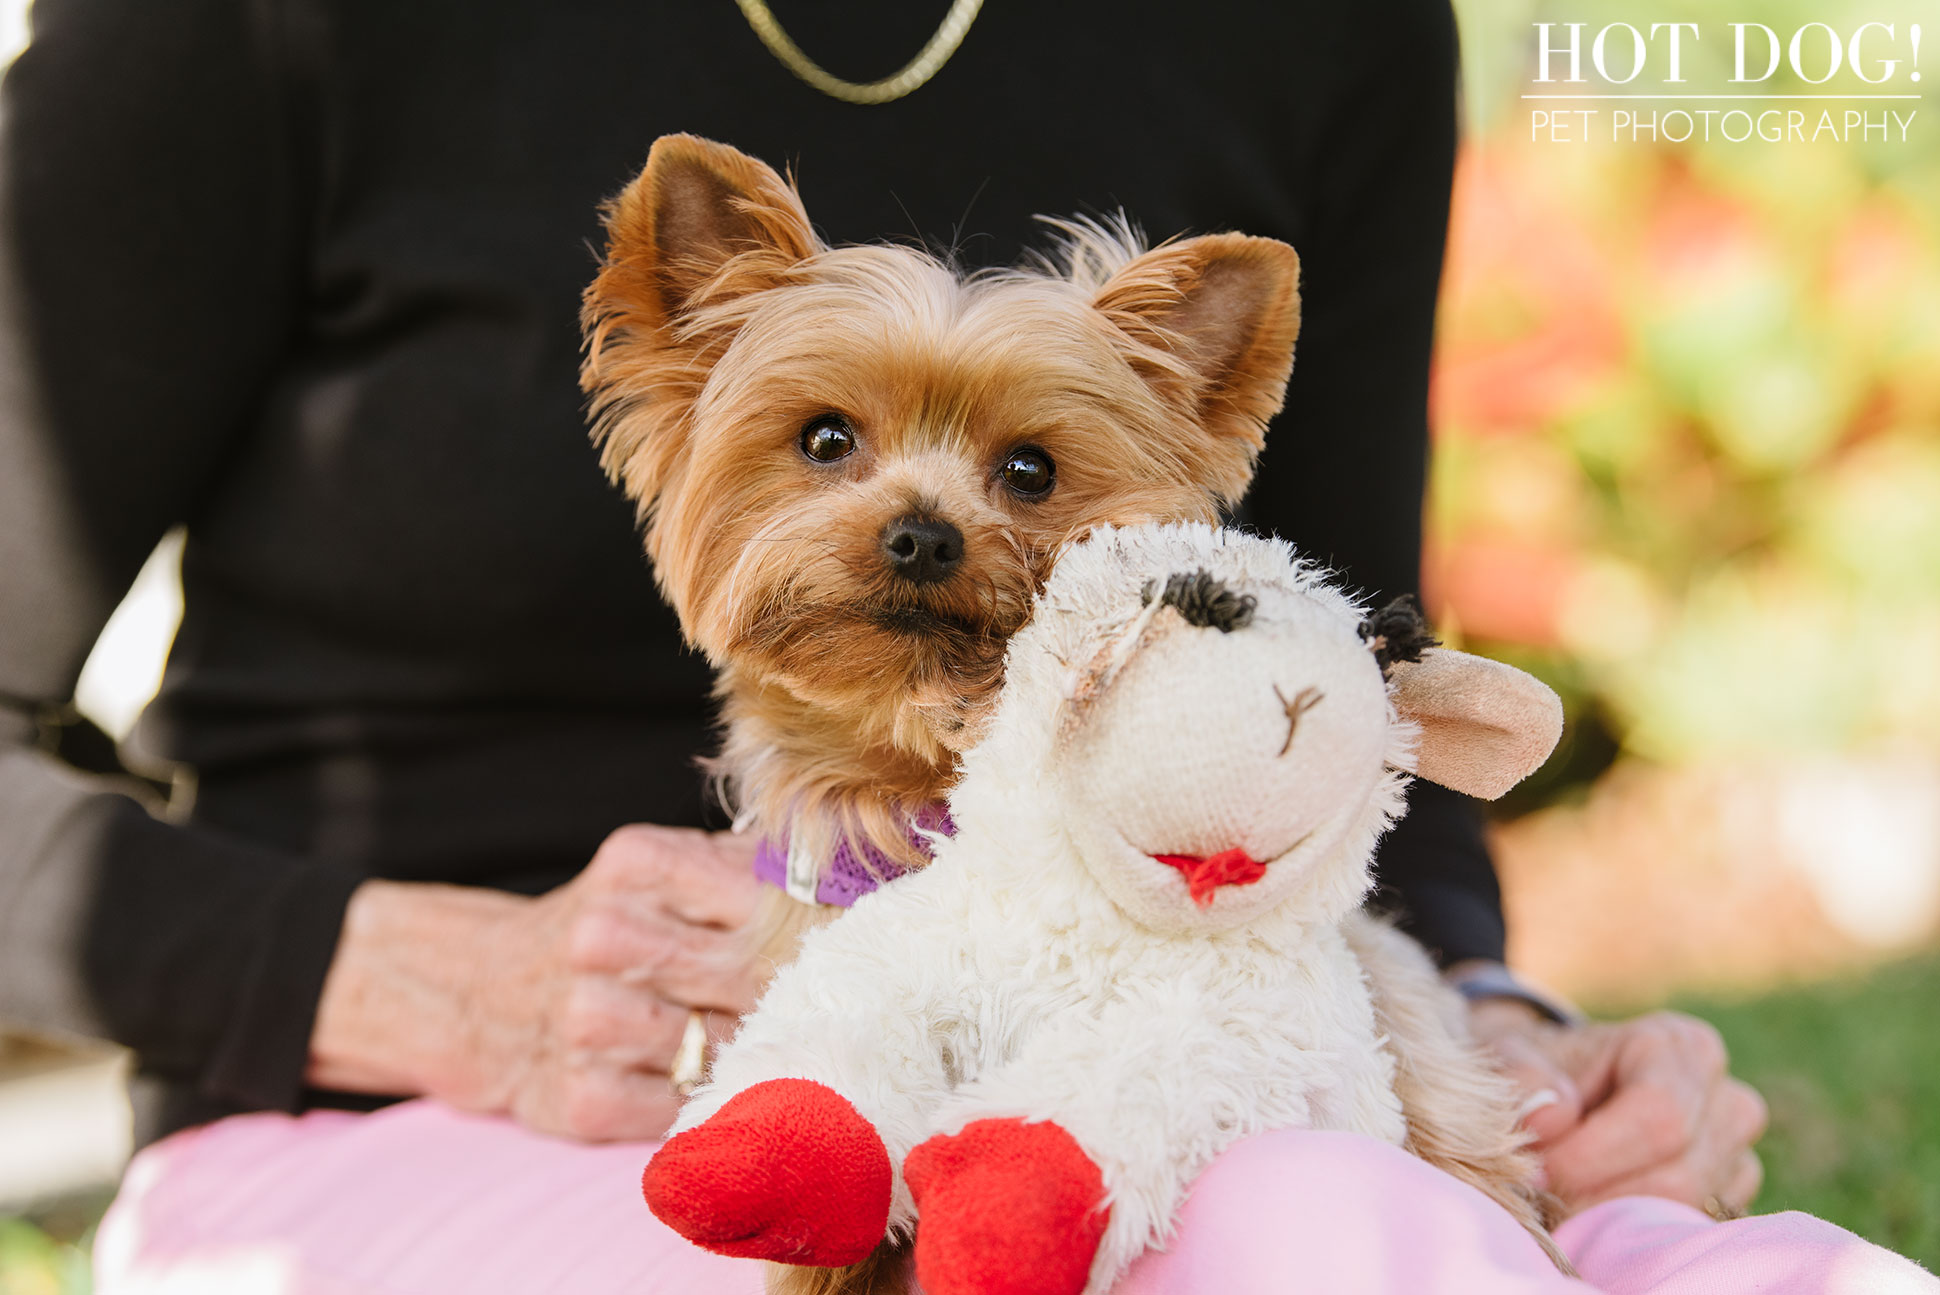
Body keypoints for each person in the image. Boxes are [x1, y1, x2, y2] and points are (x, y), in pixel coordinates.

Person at [4, 1, 1896, 1291]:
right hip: (414, 1122)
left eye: (1014, 470)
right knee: (1293, 1234)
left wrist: (1498, 1033)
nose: (918, 521)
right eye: (827, 445)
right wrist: (398, 976)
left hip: (1181, 1030)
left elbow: (1339, 690)